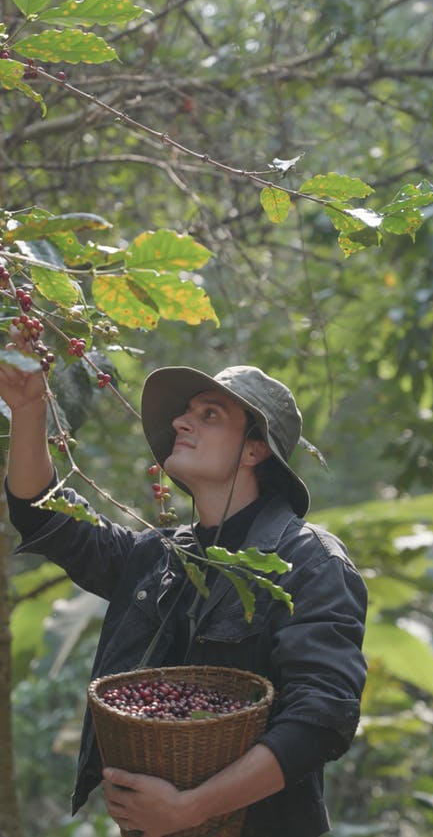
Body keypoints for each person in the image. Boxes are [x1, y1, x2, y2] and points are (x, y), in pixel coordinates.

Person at [1, 351, 367, 837]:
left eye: (209, 414)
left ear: (254, 450)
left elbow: (320, 720)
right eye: (186, 412)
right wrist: (28, 411)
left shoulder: (310, 561)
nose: (180, 422)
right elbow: (43, 513)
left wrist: (191, 807)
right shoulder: (158, 558)